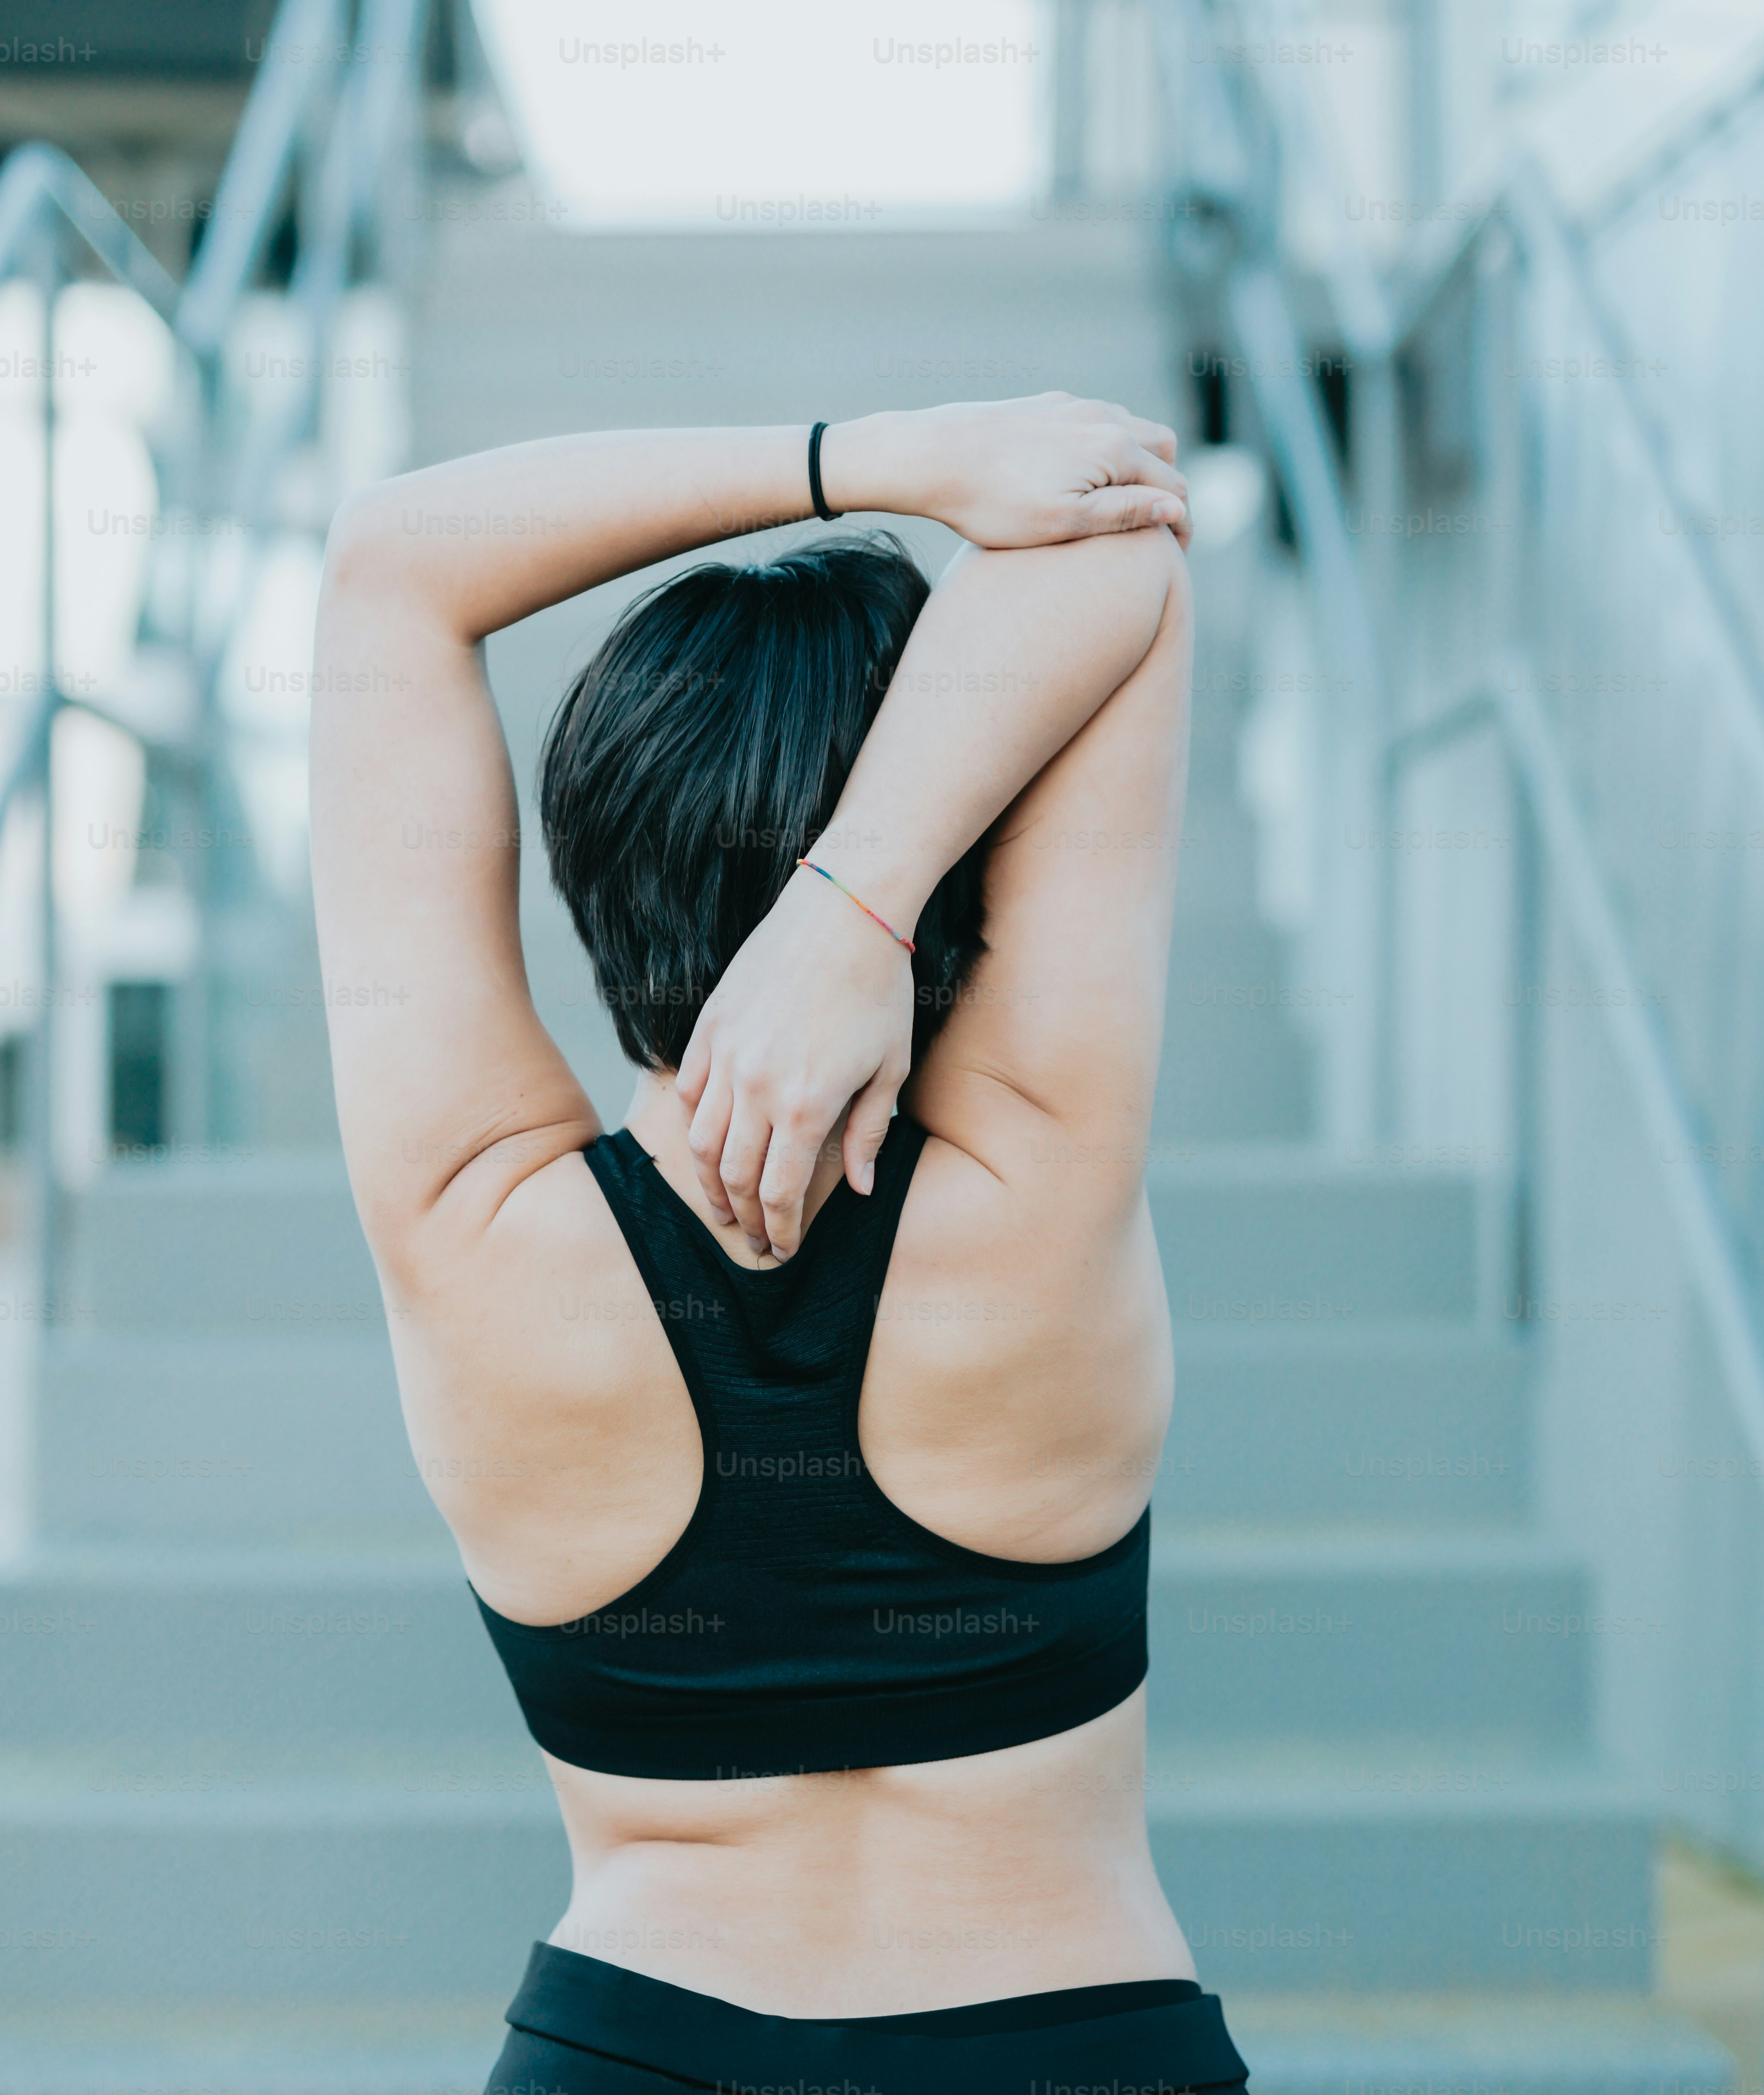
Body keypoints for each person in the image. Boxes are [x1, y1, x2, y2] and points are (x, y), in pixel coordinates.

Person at [309, 395, 1240, 2092]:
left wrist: (867, 458)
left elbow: (390, 567)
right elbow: (1122, 542)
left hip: (635, 2051)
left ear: (589, 852)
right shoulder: (1037, 1177)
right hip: (1078, 2044)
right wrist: (862, 899)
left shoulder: (473, 1220)